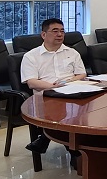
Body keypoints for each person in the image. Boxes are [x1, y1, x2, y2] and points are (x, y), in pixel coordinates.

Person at [21, 18, 87, 165]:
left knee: (87, 110)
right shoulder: (31, 56)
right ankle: (75, 153)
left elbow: (82, 74)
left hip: (72, 91)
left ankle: (44, 139)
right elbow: (31, 82)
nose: (60, 34)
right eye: (55, 31)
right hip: (46, 96)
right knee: (66, 115)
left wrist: (69, 82)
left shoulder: (72, 52)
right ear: (43, 34)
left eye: (62, 31)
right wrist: (53, 87)